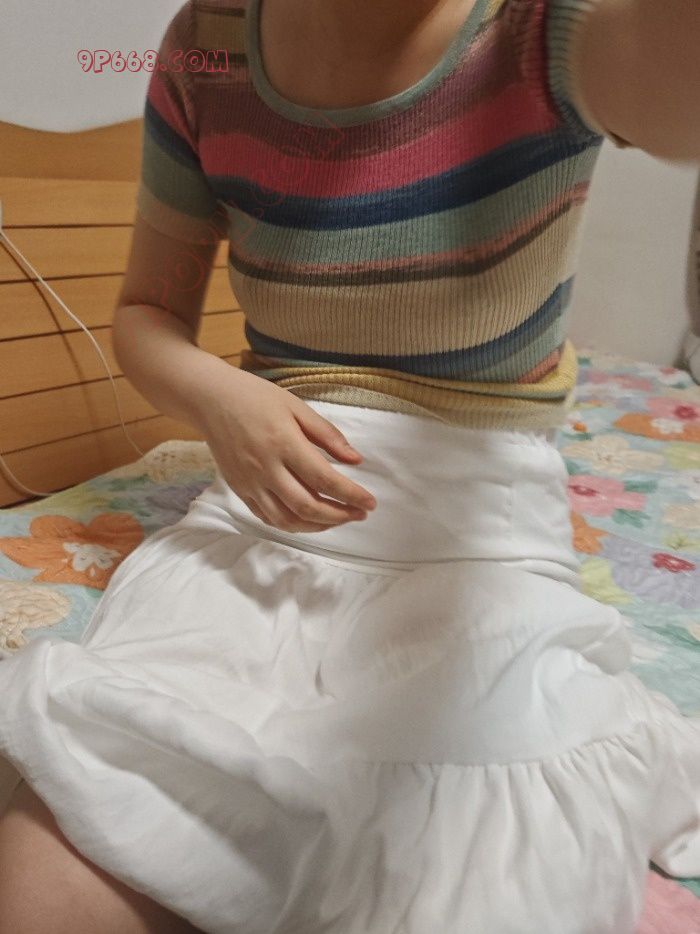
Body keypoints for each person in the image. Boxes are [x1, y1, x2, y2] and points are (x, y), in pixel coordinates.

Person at [0, 0, 698, 931]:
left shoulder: (544, 27)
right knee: (50, 881)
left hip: (474, 526)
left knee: (481, 870)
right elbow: (148, 315)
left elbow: (675, 89)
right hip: (262, 510)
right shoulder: (206, 47)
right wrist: (221, 399)